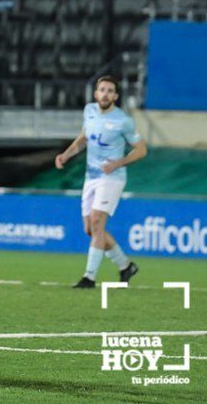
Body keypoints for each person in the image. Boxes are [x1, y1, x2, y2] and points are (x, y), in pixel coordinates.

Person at [55, 75, 146, 289]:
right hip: (91, 176)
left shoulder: (123, 120)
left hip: (111, 177)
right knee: (90, 229)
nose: (105, 93)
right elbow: (83, 138)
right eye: (102, 89)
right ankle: (125, 266)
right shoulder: (89, 111)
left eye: (109, 90)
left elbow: (142, 150)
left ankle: (89, 277)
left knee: (97, 222)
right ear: (96, 93)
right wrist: (66, 155)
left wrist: (119, 162)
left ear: (115, 95)